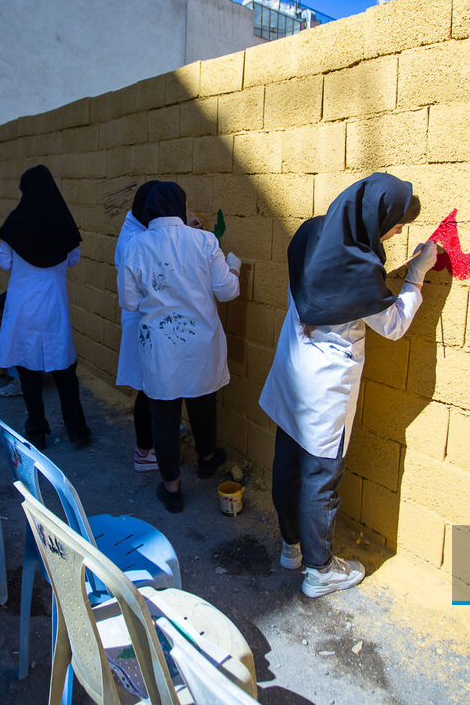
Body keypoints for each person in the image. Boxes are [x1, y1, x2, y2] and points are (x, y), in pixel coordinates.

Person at [260, 172, 436, 598]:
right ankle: (319, 571)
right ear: (375, 218)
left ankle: (291, 546)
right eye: (395, 225)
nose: (395, 233)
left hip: (293, 367)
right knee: (321, 477)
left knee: (287, 460)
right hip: (324, 385)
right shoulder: (357, 270)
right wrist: (416, 275)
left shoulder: (311, 235)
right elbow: (391, 324)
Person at [119, 182, 241, 513]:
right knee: (203, 402)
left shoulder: (135, 246)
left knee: (164, 412)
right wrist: (235, 268)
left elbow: (129, 302)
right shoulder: (204, 241)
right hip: (200, 342)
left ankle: (172, 488)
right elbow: (227, 291)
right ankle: (206, 458)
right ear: (179, 207)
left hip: (159, 346)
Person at [0, 165, 92, 450]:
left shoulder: (15, 223)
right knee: (64, 371)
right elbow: (73, 259)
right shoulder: (64, 222)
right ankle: (77, 431)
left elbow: (4, 262)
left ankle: (37, 430)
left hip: (23, 308)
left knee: (28, 370)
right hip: (53, 307)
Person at [114, 180, 161, 472]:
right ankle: (145, 451)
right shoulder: (133, 240)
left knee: (154, 383)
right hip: (141, 318)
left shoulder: (137, 228)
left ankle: (156, 435)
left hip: (146, 318)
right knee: (146, 386)